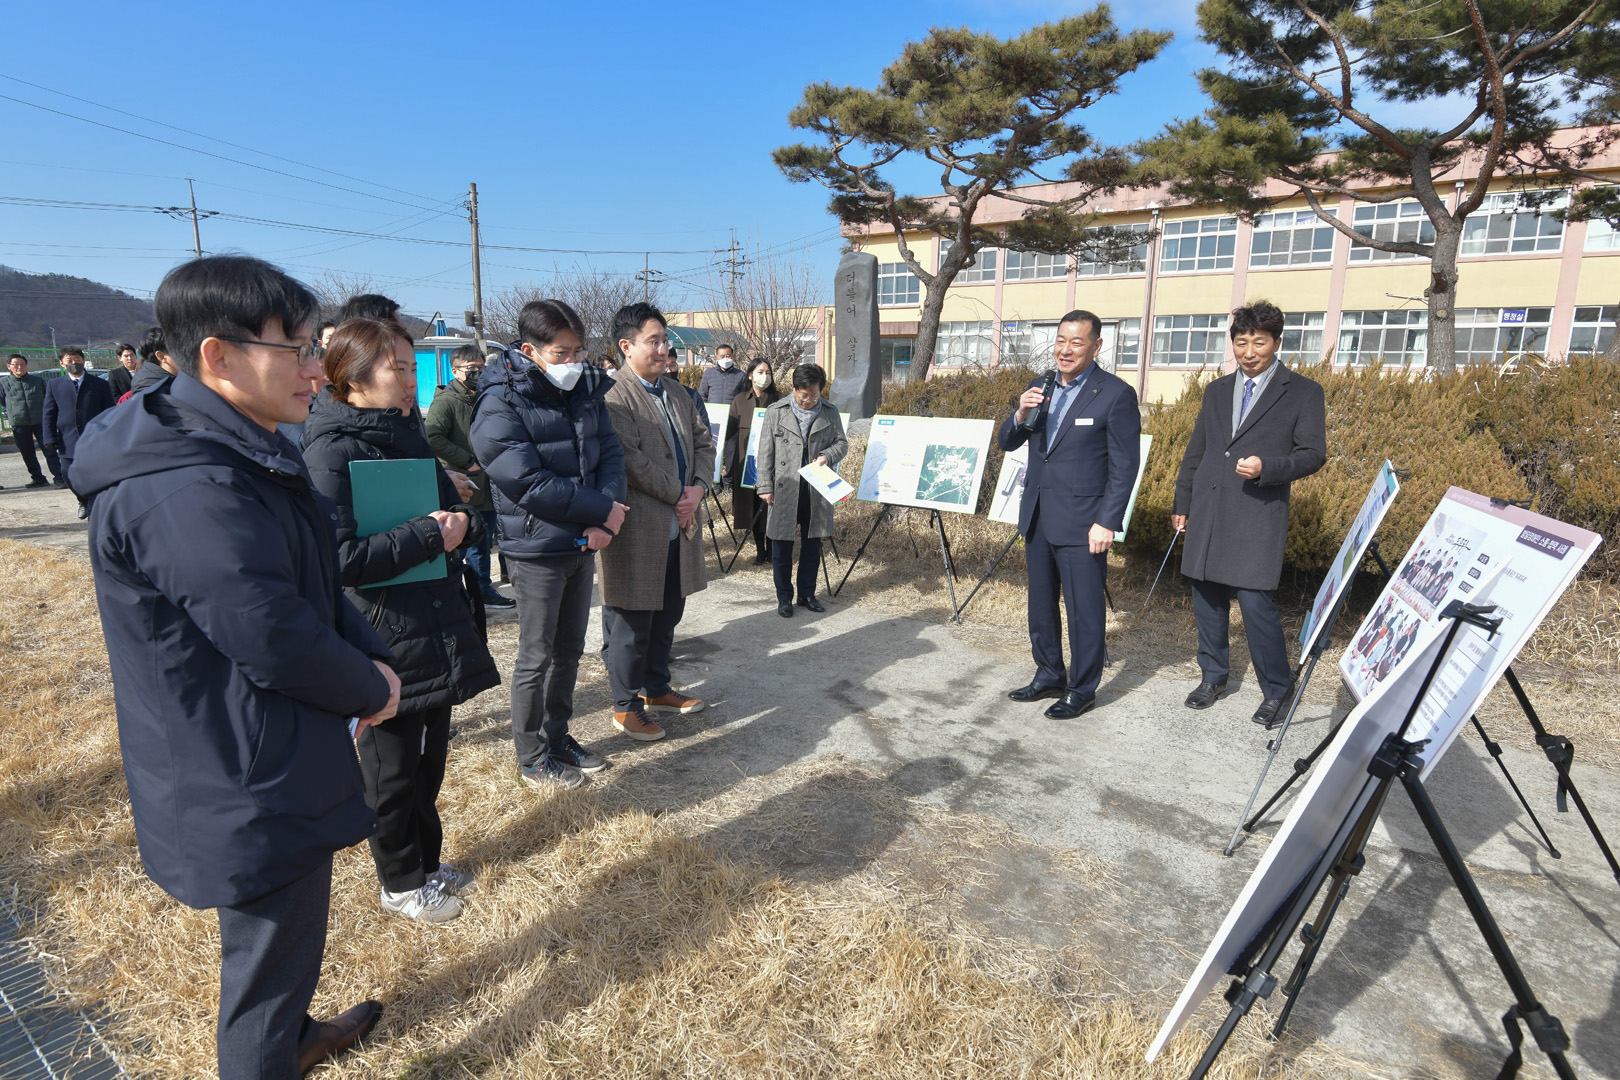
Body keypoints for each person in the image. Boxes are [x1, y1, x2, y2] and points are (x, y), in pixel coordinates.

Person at [72, 255, 395, 1079]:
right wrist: (371, 685)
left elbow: (303, 585)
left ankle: (293, 1036)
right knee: (263, 965)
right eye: (298, 348)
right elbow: (272, 633)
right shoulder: (186, 485)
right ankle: (268, 1053)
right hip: (241, 764)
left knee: (283, 944)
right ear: (218, 356)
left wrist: (369, 656)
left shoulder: (235, 445)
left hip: (262, 745)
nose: (317, 368)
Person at [302, 317, 499, 923]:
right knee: (390, 770)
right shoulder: (331, 450)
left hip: (432, 618)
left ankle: (427, 864)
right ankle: (400, 882)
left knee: (427, 761)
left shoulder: (406, 434)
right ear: (353, 379)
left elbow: (455, 508)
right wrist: (428, 535)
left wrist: (464, 525)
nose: (412, 380)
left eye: (414, 368)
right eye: (399, 369)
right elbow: (337, 559)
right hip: (381, 632)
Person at [470, 299, 629, 789]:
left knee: (570, 651)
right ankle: (531, 754)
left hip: (583, 541)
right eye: (562, 353)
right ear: (529, 350)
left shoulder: (586, 388)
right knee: (535, 655)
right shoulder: (499, 401)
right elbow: (526, 482)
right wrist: (600, 510)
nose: (573, 362)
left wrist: (605, 518)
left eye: (579, 351)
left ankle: (558, 736)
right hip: (536, 546)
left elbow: (611, 454)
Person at [1172, 300, 1327, 727]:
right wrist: (1182, 502)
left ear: (1277, 342)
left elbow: (1313, 453)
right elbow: (1197, 451)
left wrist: (1268, 468)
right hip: (1208, 507)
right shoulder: (1217, 391)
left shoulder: (1303, 391)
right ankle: (1213, 676)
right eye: (1241, 342)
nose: (1249, 352)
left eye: (1259, 342)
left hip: (1258, 510)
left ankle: (1277, 689)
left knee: (1256, 604)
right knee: (1206, 597)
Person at [1000, 310, 1141, 720]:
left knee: (1084, 610)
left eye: (1076, 342)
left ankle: (1082, 688)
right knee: (1041, 604)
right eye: (1060, 340)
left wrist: (1107, 521)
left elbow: (1125, 466)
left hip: (1084, 522)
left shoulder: (1114, 394)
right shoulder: (1040, 385)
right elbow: (1008, 442)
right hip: (1038, 514)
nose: (1065, 350)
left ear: (1096, 346)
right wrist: (1019, 415)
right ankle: (1049, 673)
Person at [598, 302, 715, 741]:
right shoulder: (613, 396)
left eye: (666, 340)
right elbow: (630, 460)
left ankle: (657, 687)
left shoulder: (678, 392)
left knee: (668, 611)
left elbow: (704, 443)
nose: (664, 349)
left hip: (678, 524)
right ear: (626, 346)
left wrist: (698, 489)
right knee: (632, 620)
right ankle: (625, 705)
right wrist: (678, 495)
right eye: (654, 341)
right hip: (638, 528)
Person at [755, 363, 846, 617]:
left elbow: (842, 443)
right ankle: (784, 597)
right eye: (804, 395)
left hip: (815, 487)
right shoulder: (776, 411)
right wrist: (765, 485)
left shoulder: (829, 412)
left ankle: (807, 594)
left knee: (812, 544)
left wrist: (827, 456)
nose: (809, 401)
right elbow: (765, 452)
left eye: (814, 395)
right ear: (794, 389)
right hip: (785, 487)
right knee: (781, 546)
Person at [426, 344, 514, 609]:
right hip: (463, 482)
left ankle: (482, 590)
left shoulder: (484, 396)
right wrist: (467, 461)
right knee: (462, 543)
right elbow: (433, 436)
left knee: (483, 540)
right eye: (471, 368)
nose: (478, 373)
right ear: (455, 371)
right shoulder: (447, 401)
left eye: (481, 367)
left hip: (487, 481)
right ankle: (457, 594)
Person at [41, 346, 116, 519]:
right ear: (62, 363)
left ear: (83, 361)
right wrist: (49, 438)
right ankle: (82, 499)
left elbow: (110, 412)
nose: (74, 363)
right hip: (68, 439)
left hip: (95, 438)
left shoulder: (100, 384)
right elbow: (49, 413)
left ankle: (96, 504)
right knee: (68, 474)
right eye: (69, 360)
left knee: (96, 474)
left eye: (77, 359)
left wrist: (110, 434)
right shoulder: (54, 385)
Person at [725, 357, 780, 563]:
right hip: (747, 462)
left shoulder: (780, 400)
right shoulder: (740, 400)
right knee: (752, 505)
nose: (764, 376)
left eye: (768, 372)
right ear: (750, 375)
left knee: (771, 506)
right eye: (760, 372)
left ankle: (772, 548)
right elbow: (729, 432)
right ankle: (760, 549)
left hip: (773, 462)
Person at [1, 354, 61, 488]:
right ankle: (38, 478)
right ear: (9, 366)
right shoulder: (3, 383)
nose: (19, 367)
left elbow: (48, 398)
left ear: (26, 366)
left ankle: (59, 477)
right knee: (27, 452)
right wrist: (14, 411)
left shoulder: (37, 380)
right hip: (19, 423)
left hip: (41, 421)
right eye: (15, 364)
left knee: (50, 449)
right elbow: (3, 400)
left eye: (22, 364)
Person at [118, 326, 177, 403]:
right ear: (161, 356)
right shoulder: (150, 390)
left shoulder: (162, 378)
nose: (187, 356)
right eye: (180, 351)